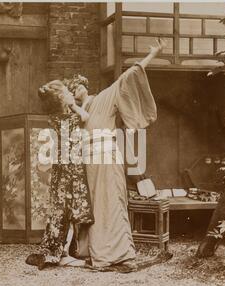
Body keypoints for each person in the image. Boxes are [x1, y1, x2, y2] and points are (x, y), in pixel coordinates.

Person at [69, 39, 166, 272]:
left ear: (86, 85)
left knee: (112, 203)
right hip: (90, 162)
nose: (76, 88)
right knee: (93, 207)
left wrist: (151, 55)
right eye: (72, 89)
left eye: (78, 84)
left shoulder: (104, 97)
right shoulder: (76, 114)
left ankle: (121, 253)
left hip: (107, 156)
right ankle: (96, 252)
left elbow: (129, 76)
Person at [26, 80, 94, 270]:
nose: (72, 94)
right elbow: (86, 115)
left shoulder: (59, 116)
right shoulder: (66, 118)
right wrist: (74, 105)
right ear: (63, 99)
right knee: (67, 210)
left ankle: (63, 251)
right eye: (68, 93)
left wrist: (71, 103)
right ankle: (62, 254)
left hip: (64, 168)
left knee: (63, 209)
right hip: (68, 169)